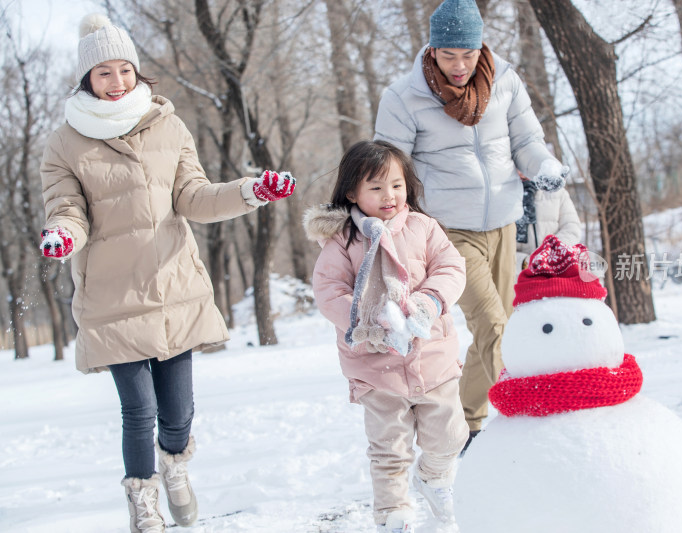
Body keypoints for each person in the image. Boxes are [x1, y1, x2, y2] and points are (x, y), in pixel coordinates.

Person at [39, 14, 296, 533]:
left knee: (177, 415)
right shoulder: (64, 143)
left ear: (138, 73)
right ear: (86, 79)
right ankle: (143, 501)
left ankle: (174, 468)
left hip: (173, 286)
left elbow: (194, 198)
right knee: (138, 410)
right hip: (112, 297)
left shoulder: (169, 126)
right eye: (103, 73)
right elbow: (67, 209)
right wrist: (62, 234)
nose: (116, 83)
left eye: (124, 71)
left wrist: (251, 191)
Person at [373, 0, 570, 451]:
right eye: (448, 55)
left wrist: (543, 166)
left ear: (481, 46)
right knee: (495, 325)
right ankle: (533, 415)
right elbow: (388, 170)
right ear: (432, 49)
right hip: (448, 231)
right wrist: (395, 227)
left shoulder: (505, 81)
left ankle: (466, 423)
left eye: (469, 53)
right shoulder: (404, 98)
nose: (460, 66)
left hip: (503, 222)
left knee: (502, 325)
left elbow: (527, 141)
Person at [305, 140, 469, 533]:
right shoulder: (343, 239)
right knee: (390, 447)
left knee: (449, 434)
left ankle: (433, 477)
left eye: (396, 185)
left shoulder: (423, 227)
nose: (389, 195)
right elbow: (329, 290)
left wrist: (429, 302)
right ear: (352, 193)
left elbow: (451, 266)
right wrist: (368, 321)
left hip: (431, 355)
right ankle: (394, 513)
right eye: (376, 187)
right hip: (375, 365)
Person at [515, 169, 582, 270]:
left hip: (555, 272)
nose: (521, 171)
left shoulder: (557, 192)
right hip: (518, 277)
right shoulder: (500, 197)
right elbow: (497, 247)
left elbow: (572, 228)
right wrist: (524, 262)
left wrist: (549, 254)